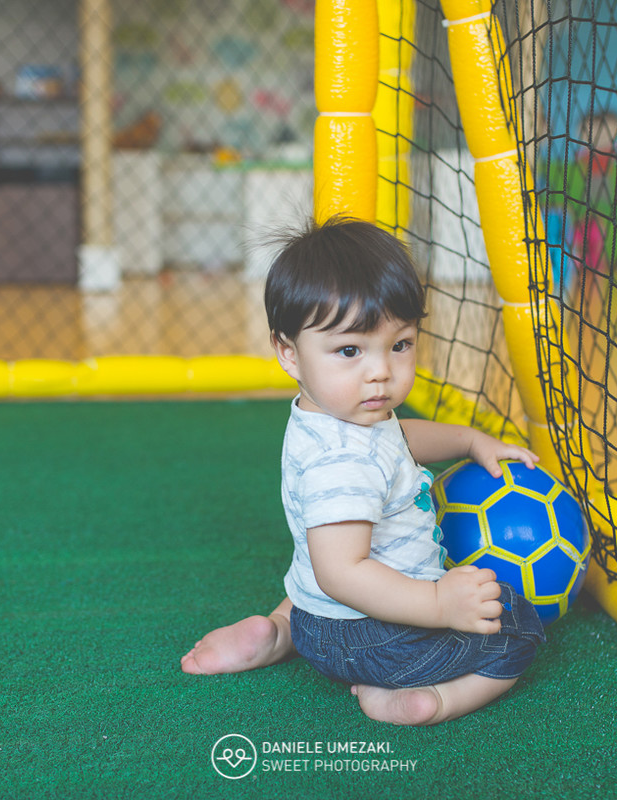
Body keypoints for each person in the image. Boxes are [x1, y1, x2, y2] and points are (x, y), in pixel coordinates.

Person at [181, 217, 546, 726]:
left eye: (400, 344)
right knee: (518, 624)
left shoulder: (329, 413)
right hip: (375, 638)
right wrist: (439, 603)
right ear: (288, 353)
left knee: (319, 572)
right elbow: (342, 573)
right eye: (350, 350)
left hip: (313, 617)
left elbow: (398, 443)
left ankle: (277, 632)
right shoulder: (343, 462)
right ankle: (427, 700)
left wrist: (468, 440)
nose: (380, 371)